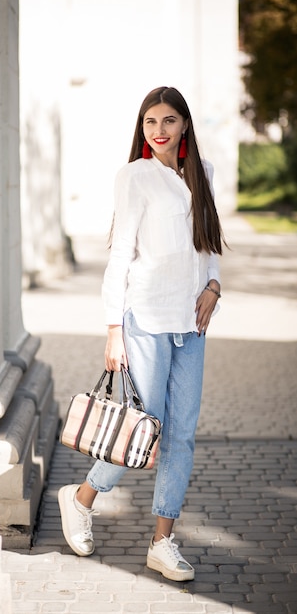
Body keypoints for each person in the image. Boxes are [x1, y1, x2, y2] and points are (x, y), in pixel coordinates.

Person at [58, 86, 225, 582]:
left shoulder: (203, 175)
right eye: (150, 122)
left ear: (185, 126)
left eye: (169, 121)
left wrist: (214, 285)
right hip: (145, 321)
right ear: (142, 128)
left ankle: (162, 541)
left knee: (181, 436)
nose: (159, 131)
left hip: (190, 327)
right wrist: (114, 329)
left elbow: (208, 243)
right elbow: (121, 255)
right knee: (140, 431)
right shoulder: (134, 177)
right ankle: (82, 497)